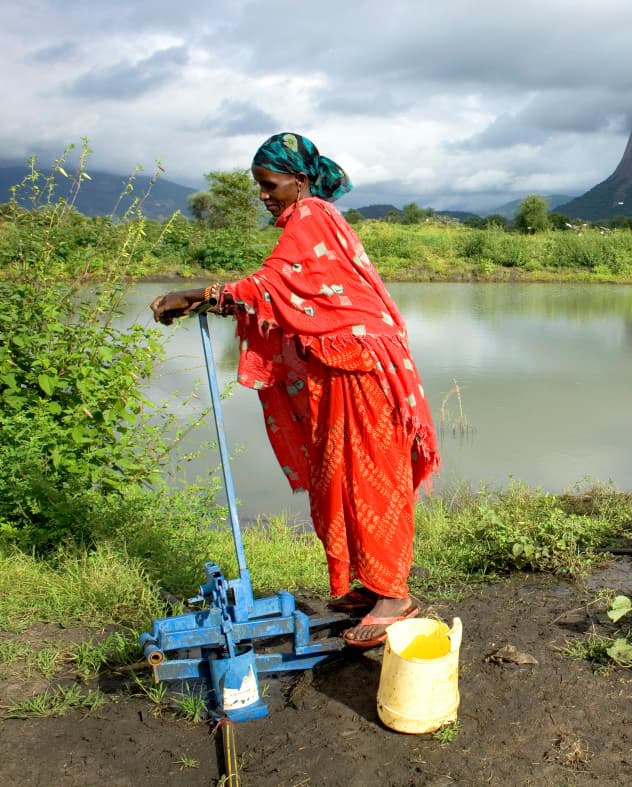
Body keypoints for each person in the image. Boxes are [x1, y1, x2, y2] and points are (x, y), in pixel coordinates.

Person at [152, 132, 440, 647]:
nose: (264, 194)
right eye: (259, 186)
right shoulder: (308, 222)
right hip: (337, 368)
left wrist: (195, 292)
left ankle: (395, 595)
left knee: (370, 478)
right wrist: (211, 302)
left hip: (359, 370)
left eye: (270, 184)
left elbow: (269, 285)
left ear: (300, 181)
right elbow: (285, 293)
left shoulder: (312, 217)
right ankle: (372, 586)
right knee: (338, 478)